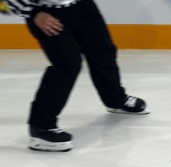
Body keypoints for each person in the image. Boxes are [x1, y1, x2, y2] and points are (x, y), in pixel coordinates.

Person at [4, 0, 148, 152]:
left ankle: (115, 100)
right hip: (46, 12)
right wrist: (33, 13)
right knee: (67, 64)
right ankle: (41, 128)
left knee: (102, 51)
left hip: (82, 5)